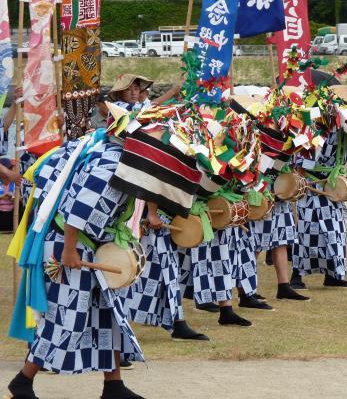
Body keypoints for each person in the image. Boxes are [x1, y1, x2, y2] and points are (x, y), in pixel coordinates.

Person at [6, 133, 145, 399]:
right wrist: (69, 249)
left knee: (108, 316)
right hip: (67, 245)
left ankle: (113, 386)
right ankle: (22, 381)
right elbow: (78, 210)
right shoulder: (112, 164)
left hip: (89, 245)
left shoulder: (120, 157)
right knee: (66, 319)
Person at [122, 204, 209, 341]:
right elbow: (154, 183)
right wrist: (152, 212)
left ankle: (178, 323)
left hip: (164, 217)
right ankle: (118, 325)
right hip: (153, 219)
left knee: (169, 273)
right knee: (135, 274)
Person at [292, 127, 347, 289]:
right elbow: (302, 160)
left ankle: (333, 275)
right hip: (313, 188)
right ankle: (296, 276)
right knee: (306, 233)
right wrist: (302, 182)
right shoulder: (312, 129)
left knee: (335, 233)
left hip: (333, 187)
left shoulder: (342, 129)